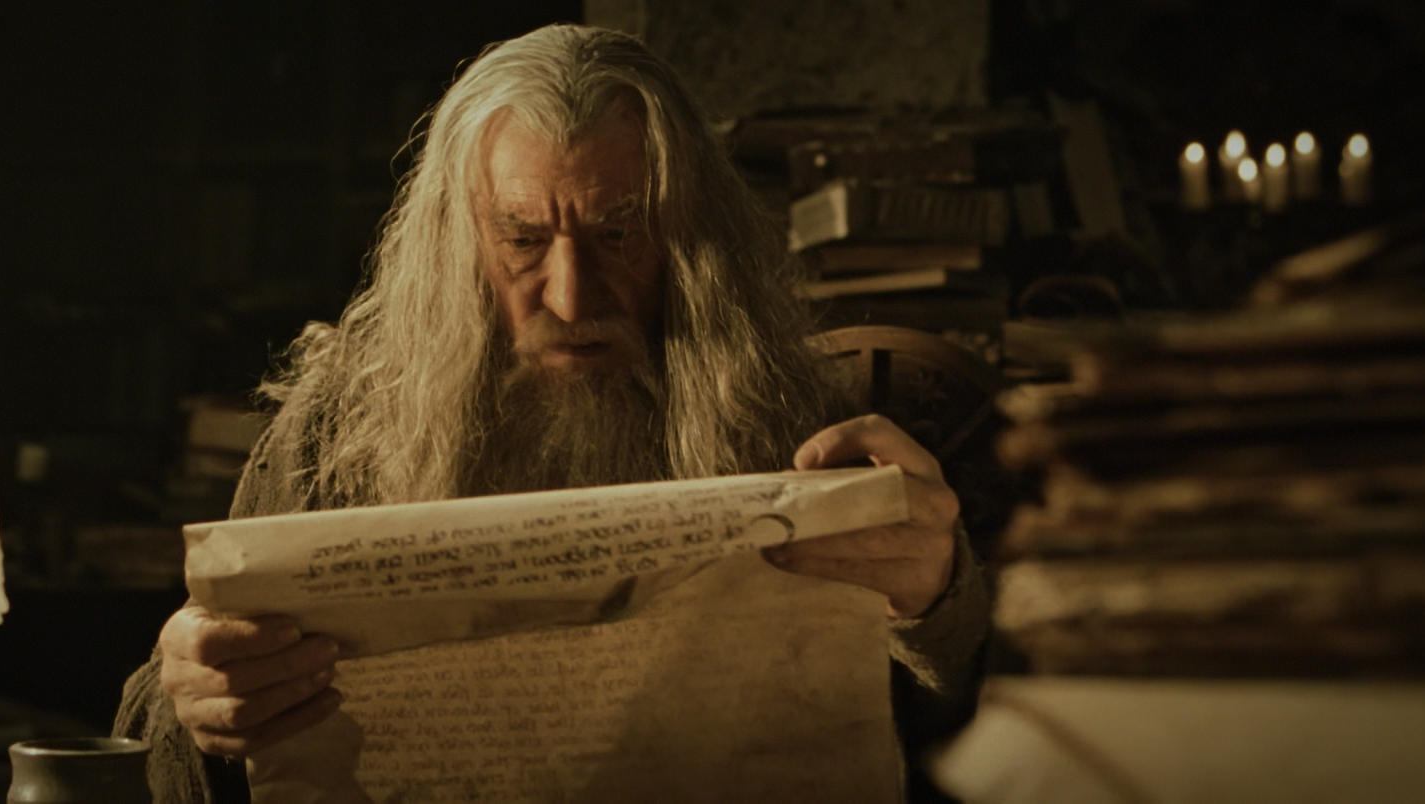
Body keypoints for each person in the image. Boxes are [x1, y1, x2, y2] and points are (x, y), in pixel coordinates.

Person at [115, 23, 989, 804]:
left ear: (695, 241)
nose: (571, 298)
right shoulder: (337, 432)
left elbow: (955, 743)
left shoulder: (807, 427)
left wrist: (936, 607)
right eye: (523, 240)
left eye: (619, 234)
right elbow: (150, 743)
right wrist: (193, 698)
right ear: (458, 246)